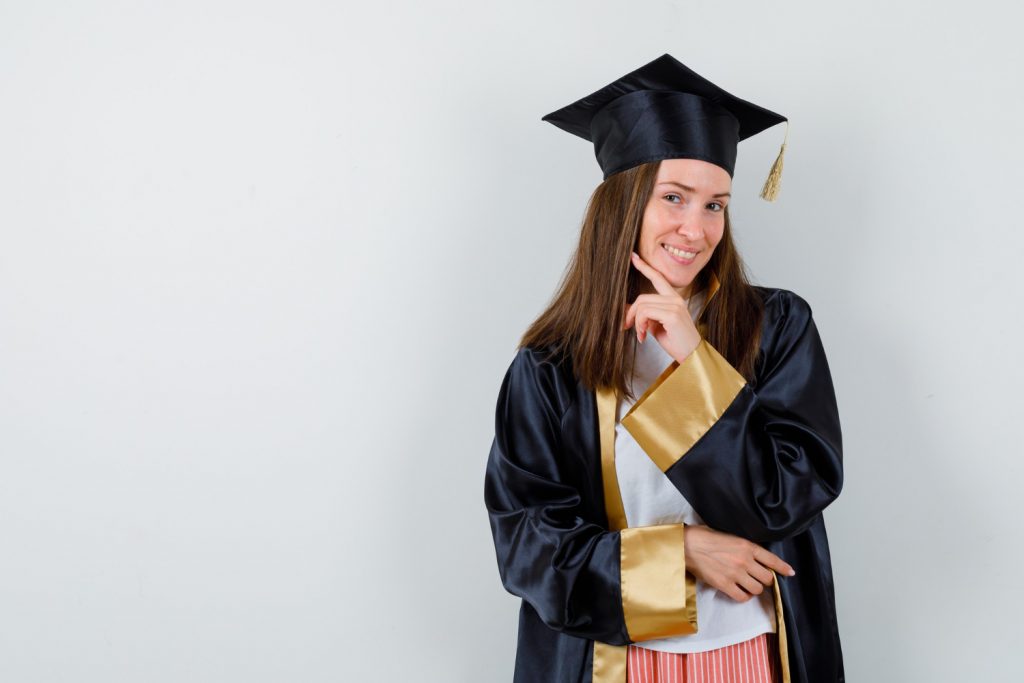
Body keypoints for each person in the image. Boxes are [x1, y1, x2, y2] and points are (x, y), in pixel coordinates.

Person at [483, 54, 844, 683]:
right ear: (622, 206)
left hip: (755, 652)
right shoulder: (549, 365)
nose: (695, 228)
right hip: (609, 662)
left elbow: (786, 500)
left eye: (715, 205)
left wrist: (694, 360)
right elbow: (529, 551)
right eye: (673, 197)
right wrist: (680, 552)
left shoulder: (776, 327)